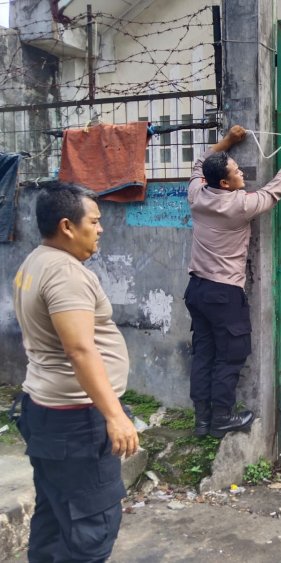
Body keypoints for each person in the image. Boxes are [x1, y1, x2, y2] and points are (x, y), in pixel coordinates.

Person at [13, 183, 139, 561]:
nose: (100, 230)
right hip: (76, 424)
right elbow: (80, 349)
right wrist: (114, 416)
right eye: (95, 222)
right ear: (68, 226)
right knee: (91, 531)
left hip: (47, 414)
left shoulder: (34, 261)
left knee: (54, 519)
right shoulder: (65, 274)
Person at [185, 125, 281, 438]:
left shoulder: (197, 194)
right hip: (224, 294)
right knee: (231, 354)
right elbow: (275, 189)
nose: (242, 173)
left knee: (204, 354)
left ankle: (202, 421)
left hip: (197, 290)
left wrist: (227, 142)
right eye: (237, 171)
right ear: (225, 184)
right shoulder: (238, 205)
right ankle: (222, 419)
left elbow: (200, 162)